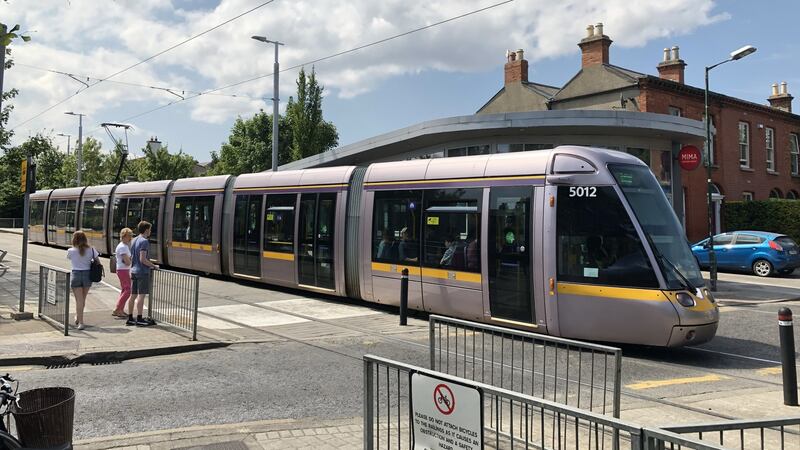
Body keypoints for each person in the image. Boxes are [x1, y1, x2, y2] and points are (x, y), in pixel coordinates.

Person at [66, 230, 97, 330]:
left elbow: (69, 258)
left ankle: (81, 322)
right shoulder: (91, 250)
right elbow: (98, 262)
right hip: (88, 275)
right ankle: (78, 317)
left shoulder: (70, 251)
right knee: (82, 299)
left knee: (79, 300)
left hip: (76, 275)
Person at [128, 221, 157, 327]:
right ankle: (139, 318)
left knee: (132, 295)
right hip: (142, 271)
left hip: (133, 270)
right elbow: (143, 259)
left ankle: (130, 318)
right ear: (146, 230)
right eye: (149, 229)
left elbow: (133, 257)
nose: (150, 231)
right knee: (141, 296)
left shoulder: (134, 240)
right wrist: (153, 265)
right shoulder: (144, 241)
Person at [112, 228, 133, 318]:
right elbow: (127, 262)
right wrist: (131, 259)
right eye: (129, 236)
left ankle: (120, 310)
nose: (131, 238)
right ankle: (117, 309)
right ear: (125, 236)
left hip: (122, 270)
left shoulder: (122, 245)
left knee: (124, 290)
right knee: (128, 290)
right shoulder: (123, 247)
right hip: (123, 270)